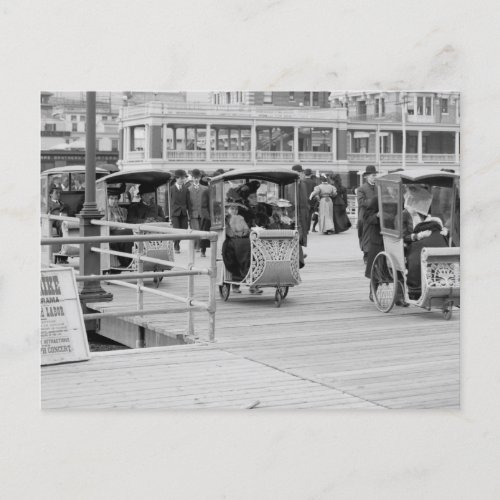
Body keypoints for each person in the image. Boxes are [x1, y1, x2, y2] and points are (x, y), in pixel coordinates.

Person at [402, 184, 448, 299]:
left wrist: (445, 229)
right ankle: (417, 288)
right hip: (412, 244)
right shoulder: (404, 214)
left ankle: (443, 283)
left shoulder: (426, 214)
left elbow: (439, 222)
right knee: (422, 252)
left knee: (439, 242)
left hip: (428, 244)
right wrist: (418, 236)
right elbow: (403, 237)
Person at [362, 196, 384, 301]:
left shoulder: (401, 197)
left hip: (396, 235)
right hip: (379, 236)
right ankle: (373, 290)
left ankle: (399, 296)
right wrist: (377, 215)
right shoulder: (377, 199)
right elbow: (366, 217)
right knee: (376, 265)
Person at [106, 187, 133, 267]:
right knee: (127, 233)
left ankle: (129, 260)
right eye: (111, 199)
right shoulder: (104, 210)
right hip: (110, 232)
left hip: (123, 232)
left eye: (116, 199)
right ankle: (126, 262)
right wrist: (118, 227)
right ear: (107, 199)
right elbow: (106, 225)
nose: (114, 201)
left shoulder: (123, 210)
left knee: (129, 234)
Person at [356, 165, 378, 261]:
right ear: (367, 176)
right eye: (373, 175)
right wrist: (374, 202)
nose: (374, 177)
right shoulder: (361, 188)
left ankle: (374, 254)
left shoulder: (379, 187)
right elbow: (361, 202)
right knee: (365, 235)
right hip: (365, 216)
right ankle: (366, 254)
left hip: (377, 215)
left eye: (375, 175)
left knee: (375, 235)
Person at [188, 169, 211, 257]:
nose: (196, 179)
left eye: (197, 178)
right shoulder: (188, 189)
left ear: (200, 178)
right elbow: (187, 203)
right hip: (193, 213)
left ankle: (201, 248)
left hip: (203, 214)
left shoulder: (205, 188)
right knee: (196, 230)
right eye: (194, 178)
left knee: (202, 231)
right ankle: (197, 247)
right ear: (192, 178)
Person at [169, 169, 191, 253]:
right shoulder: (171, 189)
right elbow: (168, 204)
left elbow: (188, 203)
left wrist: (190, 215)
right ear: (176, 178)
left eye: (184, 178)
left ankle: (175, 241)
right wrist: (169, 216)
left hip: (184, 213)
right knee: (176, 229)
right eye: (181, 178)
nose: (183, 180)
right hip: (174, 213)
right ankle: (176, 246)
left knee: (184, 230)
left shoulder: (186, 189)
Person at [303, 168, 318, 232]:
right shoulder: (313, 183)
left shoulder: (301, 181)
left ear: (304, 174)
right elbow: (314, 193)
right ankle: (307, 229)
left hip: (303, 201)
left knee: (303, 215)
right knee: (309, 216)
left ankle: (303, 228)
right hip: (311, 201)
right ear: (311, 174)